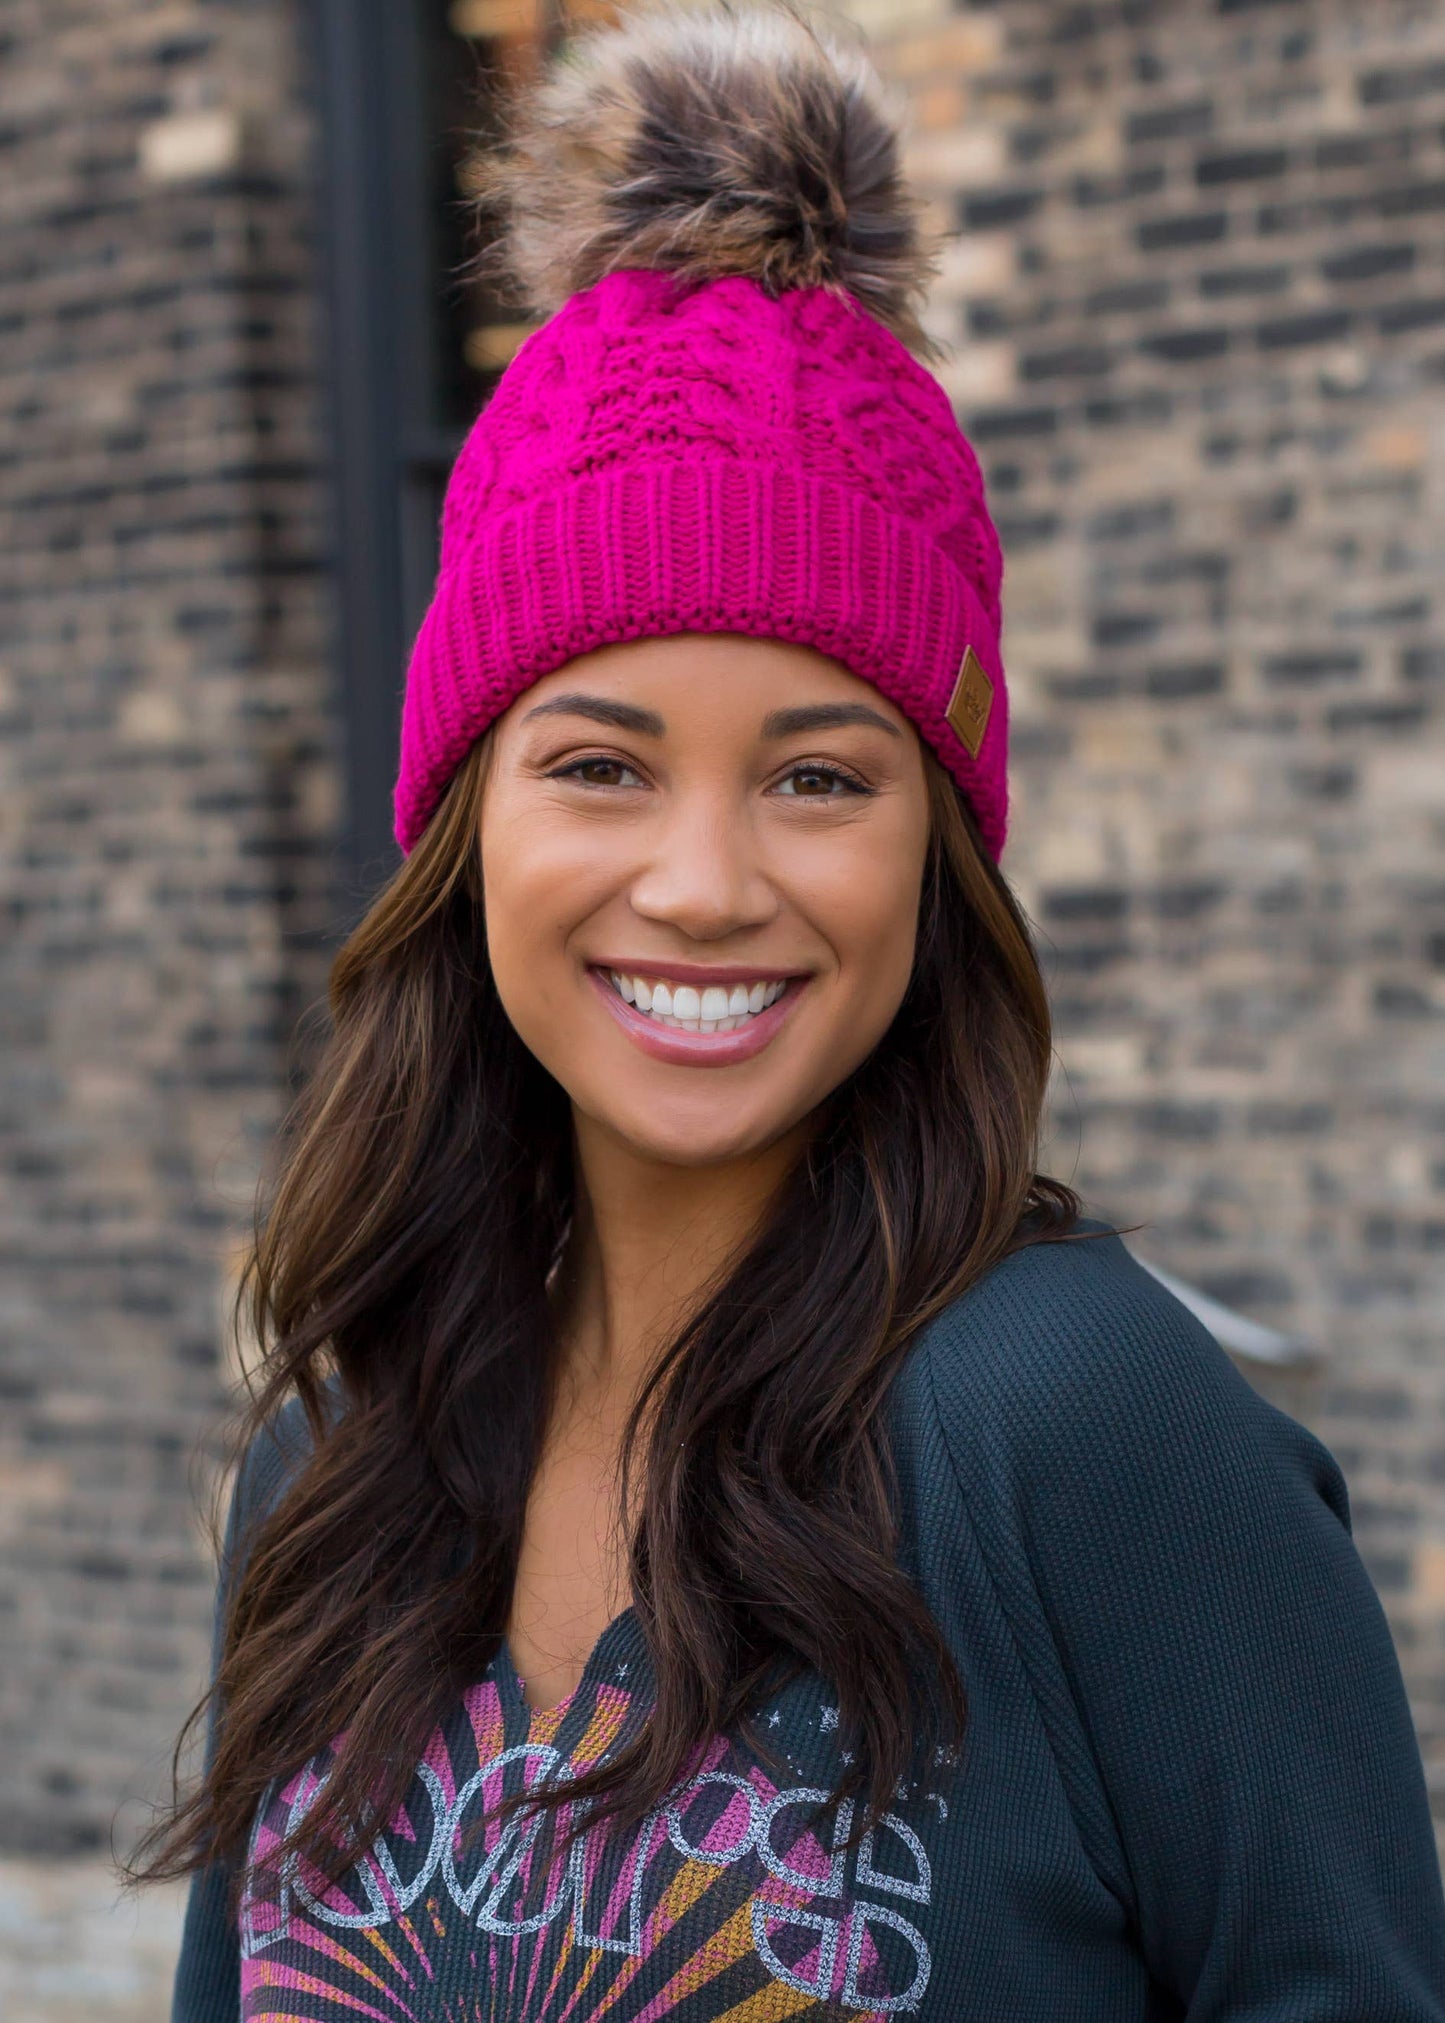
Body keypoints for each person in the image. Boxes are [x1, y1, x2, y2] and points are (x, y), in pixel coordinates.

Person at [139, 6, 1445, 2017]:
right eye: (599, 763)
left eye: (821, 776)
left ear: (937, 853)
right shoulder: (329, 1467)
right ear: (464, 822)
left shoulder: (1089, 1436)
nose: (704, 879)